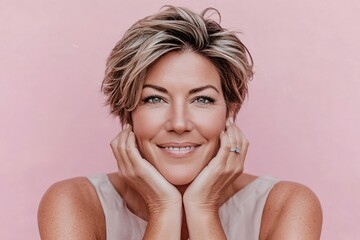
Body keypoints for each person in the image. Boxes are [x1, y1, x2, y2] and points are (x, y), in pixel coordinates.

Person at [37, 6, 322, 240]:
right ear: (127, 112)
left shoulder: (288, 206)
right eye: (154, 99)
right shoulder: (74, 203)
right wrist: (163, 208)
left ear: (230, 111)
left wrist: (202, 208)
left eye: (202, 100)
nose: (179, 123)